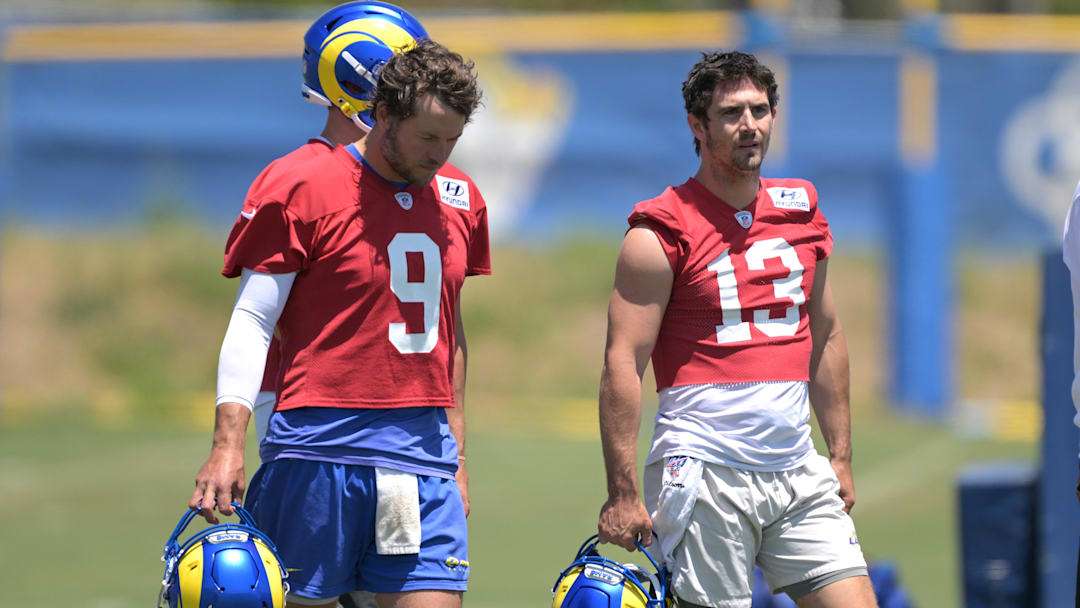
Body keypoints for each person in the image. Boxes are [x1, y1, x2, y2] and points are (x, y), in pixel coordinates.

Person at [189, 38, 486, 608]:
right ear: (383, 116)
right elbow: (253, 319)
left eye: (452, 139)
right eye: (428, 137)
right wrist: (228, 444)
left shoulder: (460, 198)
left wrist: (459, 458)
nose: (440, 154)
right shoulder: (305, 184)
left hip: (421, 459)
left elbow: (450, 334)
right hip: (318, 452)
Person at [595, 51, 877, 607]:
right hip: (705, 471)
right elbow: (622, 363)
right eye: (731, 113)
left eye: (760, 109)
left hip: (797, 466)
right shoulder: (660, 230)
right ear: (697, 127)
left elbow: (826, 335)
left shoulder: (801, 210)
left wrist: (839, 455)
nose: (750, 124)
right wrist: (622, 492)